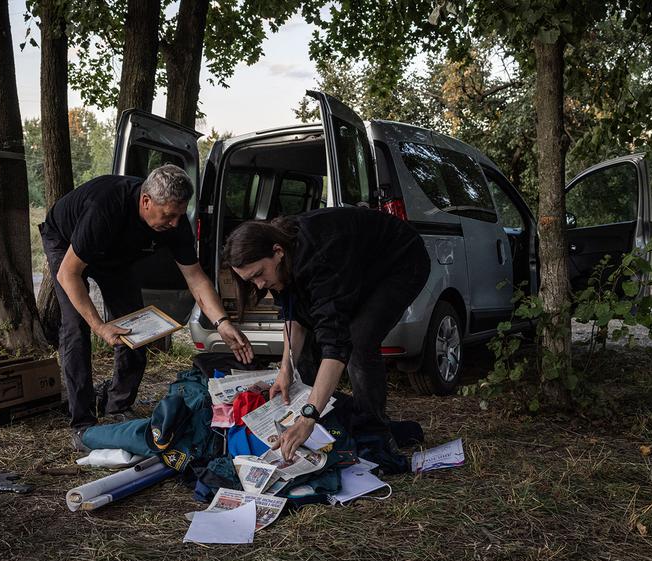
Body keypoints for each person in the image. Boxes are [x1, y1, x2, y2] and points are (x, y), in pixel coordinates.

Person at [39, 165, 253, 444]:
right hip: (65, 241)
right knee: (76, 328)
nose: (175, 223)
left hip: (114, 256)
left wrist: (222, 323)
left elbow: (196, 278)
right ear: (146, 201)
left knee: (135, 323)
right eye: (169, 215)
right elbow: (69, 274)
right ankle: (83, 422)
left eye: (179, 215)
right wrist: (100, 326)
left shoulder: (174, 223)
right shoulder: (105, 208)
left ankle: (118, 405)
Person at [222, 207, 431, 461]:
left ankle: (375, 434)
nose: (259, 285)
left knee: (359, 339)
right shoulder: (281, 261)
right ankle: (333, 422)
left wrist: (309, 415)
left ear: (277, 252)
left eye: (258, 275)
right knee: (314, 335)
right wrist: (285, 370)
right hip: (355, 264)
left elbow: (336, 343)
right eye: (250, 281)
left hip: (400, 260)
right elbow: (294, 314)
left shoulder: (320, 260)